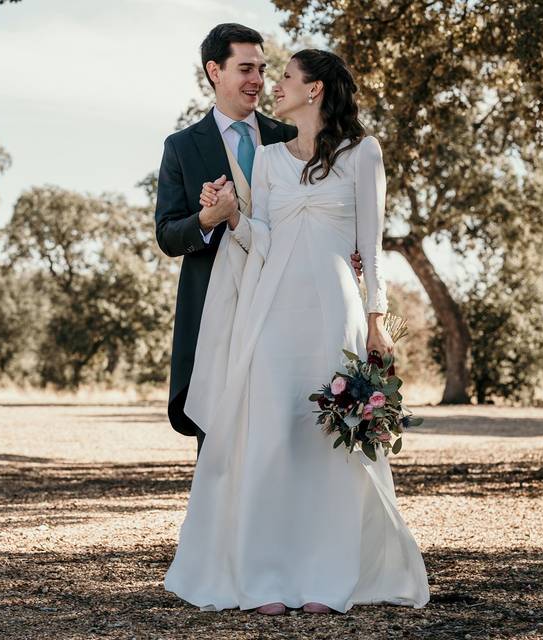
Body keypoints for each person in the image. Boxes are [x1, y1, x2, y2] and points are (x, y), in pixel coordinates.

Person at [163, 48, 431, 615]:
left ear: (315, 90)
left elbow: (372, 247)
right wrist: (231, 214)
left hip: (335, 313)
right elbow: (259, 241)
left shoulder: (364, 153)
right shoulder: (265, 158)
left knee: (329, 444)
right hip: (272, 311)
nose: (272, 84)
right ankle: (264, 577)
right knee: (272, 437)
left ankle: (327, 577)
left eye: (285, 76)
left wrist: (379, 321)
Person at [154, 23, 363, 459]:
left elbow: (332, 203)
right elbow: (168, 235)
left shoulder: (290, 134)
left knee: (285, 421)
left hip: (286, 302)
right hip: (216, 302)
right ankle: (223, 523)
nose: (258, 81)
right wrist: (207, 219)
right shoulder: (180, 147)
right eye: (245, 68)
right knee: (216, 423)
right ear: (214, 71)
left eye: (263, 69)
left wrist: (347, 250)